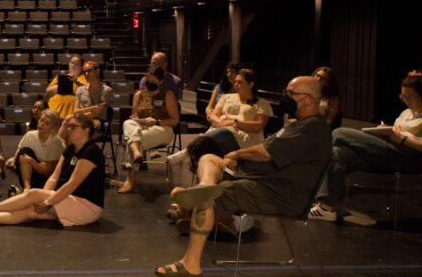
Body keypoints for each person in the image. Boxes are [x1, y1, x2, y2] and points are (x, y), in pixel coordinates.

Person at [155, 76, 331, 277]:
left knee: (207, 198)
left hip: (277, 195)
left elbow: (267, 152)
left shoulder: (311, 127)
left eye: (291, 94)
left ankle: (191, 264)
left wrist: (237, 155)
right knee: (209, 157)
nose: (286, 97)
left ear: (308, 99)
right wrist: (238, 161)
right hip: (262, 182)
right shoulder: (300, 124)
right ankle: (204, 186)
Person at [310, 72, 422, 225]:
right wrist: (385, 132)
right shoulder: (406, 113)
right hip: (392, 153)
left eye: (410, 97)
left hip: (415, 158)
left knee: (339, 133)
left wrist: (402, 139)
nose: (406, 101)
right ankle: (325, 206)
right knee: (338, 153)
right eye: (403, 97)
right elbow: (395, 135)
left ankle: (310, 184)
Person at [0, 113, 105, 229]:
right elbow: (54, 177)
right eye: (68, 126)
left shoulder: (91, 152)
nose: (68, 129)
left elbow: (72, 184)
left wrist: (47, 202)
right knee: (30, 210)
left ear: (86, 130)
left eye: (73, 127)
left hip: (86, 207)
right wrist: (43, 199)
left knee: (33, 193)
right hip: (67, 199)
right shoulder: (70, 148)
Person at [168, 68, 272, 165]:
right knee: (209, 147)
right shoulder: (226, 97)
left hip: (244, 139)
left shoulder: (262, 103)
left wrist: (234, 122)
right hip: (219, 132)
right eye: (235, 81)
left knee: (221, 133)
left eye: (240, 82)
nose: (236, 84)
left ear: (251, 84)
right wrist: (221, 123)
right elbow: (213, 114)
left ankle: (187, 151)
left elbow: (259, 126)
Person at [118, 66, 180, 194]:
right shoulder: (138, 95)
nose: (148, 84)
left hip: (162, 128)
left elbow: (175, 120)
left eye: (152, 81)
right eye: (147, 81)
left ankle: (130, 180)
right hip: (142, 128)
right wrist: (136, 119)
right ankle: (137, 152)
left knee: (133, 139)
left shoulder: (167, 95)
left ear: (160, 81)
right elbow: (134, 116)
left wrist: (157, 121)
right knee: (128, 123)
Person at [5, 109, 65, 195]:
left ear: (52, 128)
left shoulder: (56, 142)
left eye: (47, 123)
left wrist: (31, 161)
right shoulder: (30, 135)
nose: (41, 124)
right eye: (41, 120)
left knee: (27, 156)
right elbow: (19, 153)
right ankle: (27, 188)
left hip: (46, 179)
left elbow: (48, 172)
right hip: (26, 173)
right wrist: (16, 160)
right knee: (25, 151)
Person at [73, 61, 112, 136]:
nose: (86, 74)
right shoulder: (80, 90)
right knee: (67, 122)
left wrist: (80, 115)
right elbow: (75, 111)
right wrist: (93, 107)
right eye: (84, 72)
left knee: (84, 128)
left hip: (97, 121)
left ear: (97, 71)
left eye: (89, 71)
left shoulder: (106, 90)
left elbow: (97, 113)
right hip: (80, 119)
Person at [44, 54, 87, 120]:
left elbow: (87, 90)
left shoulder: (84, 78)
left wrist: (76, 82)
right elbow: (48, 92)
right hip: (55, 107)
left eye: (77, 64)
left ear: (81, 67)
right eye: (72, 63)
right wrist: (64, 84)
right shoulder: (60, 78)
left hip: (72, 109)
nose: (73, 65)